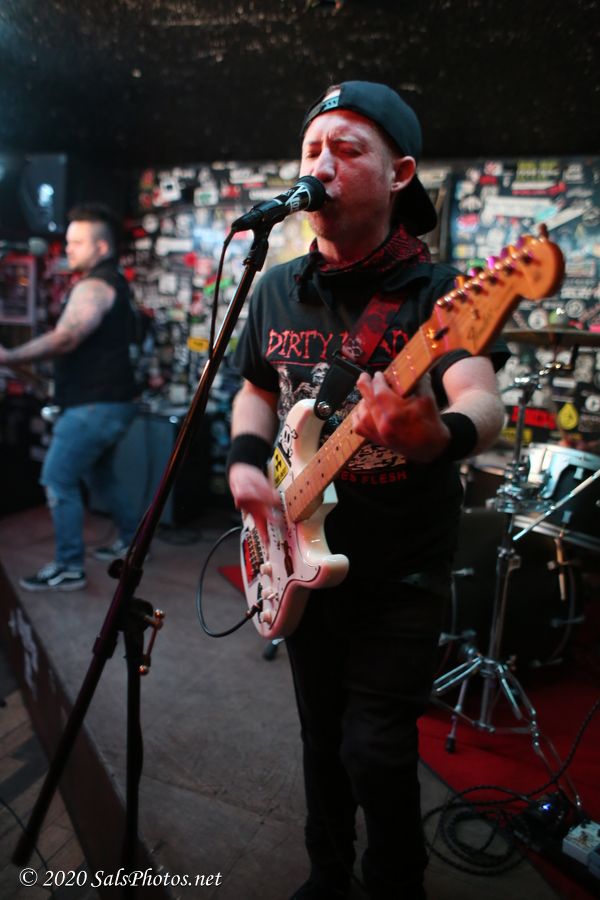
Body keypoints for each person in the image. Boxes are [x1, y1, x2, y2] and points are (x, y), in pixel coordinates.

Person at [227, 81, 509, 900]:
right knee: (320, 738)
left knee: (374, 748)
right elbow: (255, 387)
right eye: (312, 149)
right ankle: (326, 874)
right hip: (301, 554)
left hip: (400, 569)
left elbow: (482, 398)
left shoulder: (440, 294)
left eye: (347, 149)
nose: (322, 164)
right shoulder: (275, 285)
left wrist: (438, 435)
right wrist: (245, 461)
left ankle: (395, 882)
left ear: (399, 173)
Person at [0, 203, 139, 590]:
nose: (67, 249)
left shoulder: (95, 286)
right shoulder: (114, 283)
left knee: (57, 478)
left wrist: (9, 356)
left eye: (77, 242)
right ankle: (132, 543)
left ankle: (69, 567)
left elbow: (66, 338)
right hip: (110, 402)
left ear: (101, 247)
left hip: (95, 406)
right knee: (101, 476)